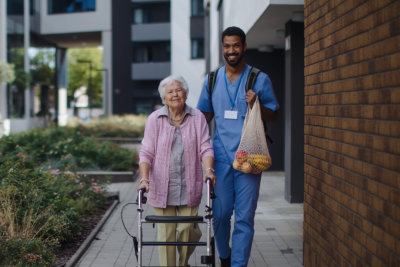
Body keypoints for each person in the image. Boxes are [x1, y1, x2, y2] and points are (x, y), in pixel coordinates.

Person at [197, 26, 279, 267]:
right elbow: (203, 118)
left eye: (235, 45)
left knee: (244, 218)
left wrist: (257, 104)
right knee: (220, 215)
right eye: (226, 46)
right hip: (220, 159)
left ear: (243, 47)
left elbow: (273, 115)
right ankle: (225, 256)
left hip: (250, 159)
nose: (231, 50)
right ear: (222, 48)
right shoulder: (212, 80)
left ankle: (238, 264)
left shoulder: (259, 79)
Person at [137, 75, 216, 267]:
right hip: (162, 186)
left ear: (186, 94)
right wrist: (144, 178)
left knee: (189, 228)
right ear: (164, 98)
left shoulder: (197, 117)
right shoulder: (154, 119)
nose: (175, 94)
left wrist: (209, 169)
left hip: (190, 184)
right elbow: (146, 152)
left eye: (179, 90)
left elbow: (205, 146)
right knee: (166, 235)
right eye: (170, 92)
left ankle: (182, 264)